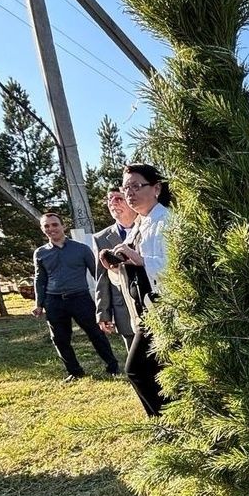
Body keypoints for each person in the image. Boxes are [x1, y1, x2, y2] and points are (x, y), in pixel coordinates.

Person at [100, 164, 172, 417]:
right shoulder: (139, 224)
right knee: (157, 370)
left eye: (135, 186)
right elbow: (124, 277)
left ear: (156, 188)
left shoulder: (168, 222)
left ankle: (167, 422)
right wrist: (114, 265)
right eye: (125, 187)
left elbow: (178, 269)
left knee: (137, 369)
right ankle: (169, 422)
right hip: (143, 310)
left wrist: (141, 260)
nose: (129, 193)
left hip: (166, 309)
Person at [32, 212, 120, 381]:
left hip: (80, 298)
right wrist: (39, 303)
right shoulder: (40, 253)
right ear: (43, 230)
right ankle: (75, 372)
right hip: (54, 301)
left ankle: (113, 366)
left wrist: (109, 297)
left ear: (63, 226)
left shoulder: (81, 249)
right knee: (59, 339)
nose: (51, 229)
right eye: (46, 226)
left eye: (54, 224)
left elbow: (98, 275)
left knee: (96, 334)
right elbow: (39, 279)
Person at [93, 186, 137, 351]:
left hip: (153, 303)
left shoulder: (148, 226)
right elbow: (102, 277)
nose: (112, 203)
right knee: (136, 362)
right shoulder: (101, 238)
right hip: (125, 310)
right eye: (109, 199)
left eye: (118, 198)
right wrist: (102, 313)